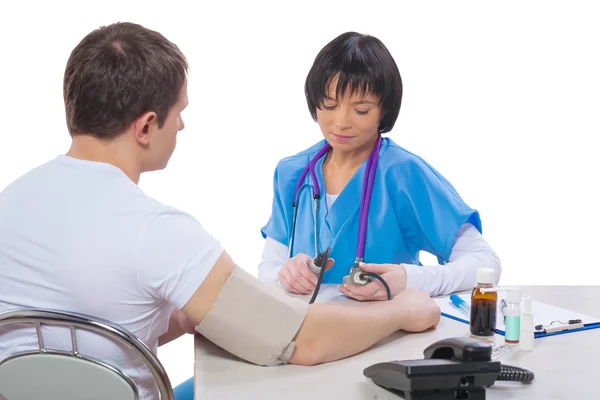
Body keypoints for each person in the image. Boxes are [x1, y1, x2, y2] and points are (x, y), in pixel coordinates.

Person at [0, 23, 441, 400]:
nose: (182, 126)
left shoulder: (12, 201)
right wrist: (403, 312)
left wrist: (190, 312)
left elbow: (81, 312)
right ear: (146, 126)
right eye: (178, 113)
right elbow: (300, 339)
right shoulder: (156, 231)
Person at [258, 31, 502, 301]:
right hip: (308, 333)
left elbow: (485, 263)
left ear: (384, 109)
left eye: (361, 110)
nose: (340, 122)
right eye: (328, 105)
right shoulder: (292, 174)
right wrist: (284, 273)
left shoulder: (403, 174)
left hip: (388, 335)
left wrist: (410, 280)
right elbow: (268, 268)